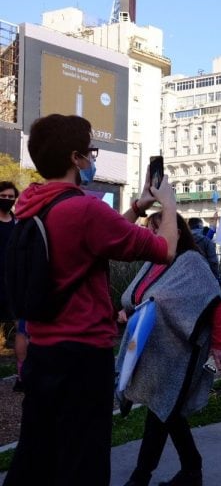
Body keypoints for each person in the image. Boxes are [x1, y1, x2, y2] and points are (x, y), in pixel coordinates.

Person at [4, 114, 178, 485]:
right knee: (83, 460)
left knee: (36, 453)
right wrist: (170, 205)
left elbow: (99, 236)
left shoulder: (32, 204)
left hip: (42, 350)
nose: (91, 159)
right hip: (83, 356)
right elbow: (164, 250)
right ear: (74, 159)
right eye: (90, 152)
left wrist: (137, 207)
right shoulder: (85, 209)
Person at [118, 211, 221, 486]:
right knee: (170, 412)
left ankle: (140, 477)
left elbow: (216, 302)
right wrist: (126, 310)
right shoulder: (153, 262)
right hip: (154, 353)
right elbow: (142, 297)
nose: (153, 234)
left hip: (181, 355)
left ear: (177, 231)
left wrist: (220, 346)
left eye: (159, 228)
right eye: (150, 229)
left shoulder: (191, 262)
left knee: (161, 411)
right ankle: (192, 470)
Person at [0, 181, 24, 392]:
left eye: (10, 196)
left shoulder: (17, 223)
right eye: (3, 196)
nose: (7, 199)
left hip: (13, 284)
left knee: (21, 329)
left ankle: (21, 375)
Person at [188, 217, 220, 283]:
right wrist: (217, 279)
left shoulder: (180, 240)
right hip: (205, 278)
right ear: (200, 226)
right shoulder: (206, 240)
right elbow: (213, 262)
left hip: (187, 279)